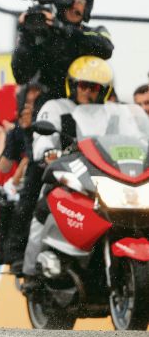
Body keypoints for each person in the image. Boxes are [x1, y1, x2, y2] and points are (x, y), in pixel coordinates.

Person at [6, 0, 113, 263]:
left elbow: (105, 48)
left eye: (82, 1)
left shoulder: (93, 34)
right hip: (50, 112)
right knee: (37, 173)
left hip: (91, 113)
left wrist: (66, 32)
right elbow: (20, 73)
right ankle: (19, 254)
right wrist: (25, 36)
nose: (76, 6)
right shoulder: (42, 33)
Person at [21, 55, 114, 279]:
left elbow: (136, 139)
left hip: (107, 181)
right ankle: (32, 272)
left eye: (94, 87)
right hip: (69, 177)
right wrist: (47, 152)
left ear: (104, 90)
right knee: (44, 210)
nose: (88, 92)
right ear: (72, 85)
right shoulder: (55, 108)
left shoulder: (113, 113)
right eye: (83, 85)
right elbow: (42, 138)